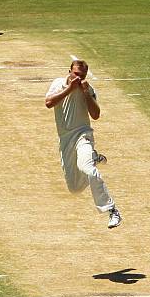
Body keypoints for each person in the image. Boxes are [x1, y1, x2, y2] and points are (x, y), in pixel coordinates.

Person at [45, 59, 122, 229]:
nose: (78, 78)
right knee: (75, 188)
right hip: (66, 140)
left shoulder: (88, 89)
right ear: (69, 71)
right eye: (76, 74)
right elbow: (49, 103)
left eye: (82, 75)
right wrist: (69, 90)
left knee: (87, 169)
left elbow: (95, 115)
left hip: (83, 136)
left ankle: (111, 209)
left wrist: (86, 93)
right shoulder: (58, 84)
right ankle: (94, 158)